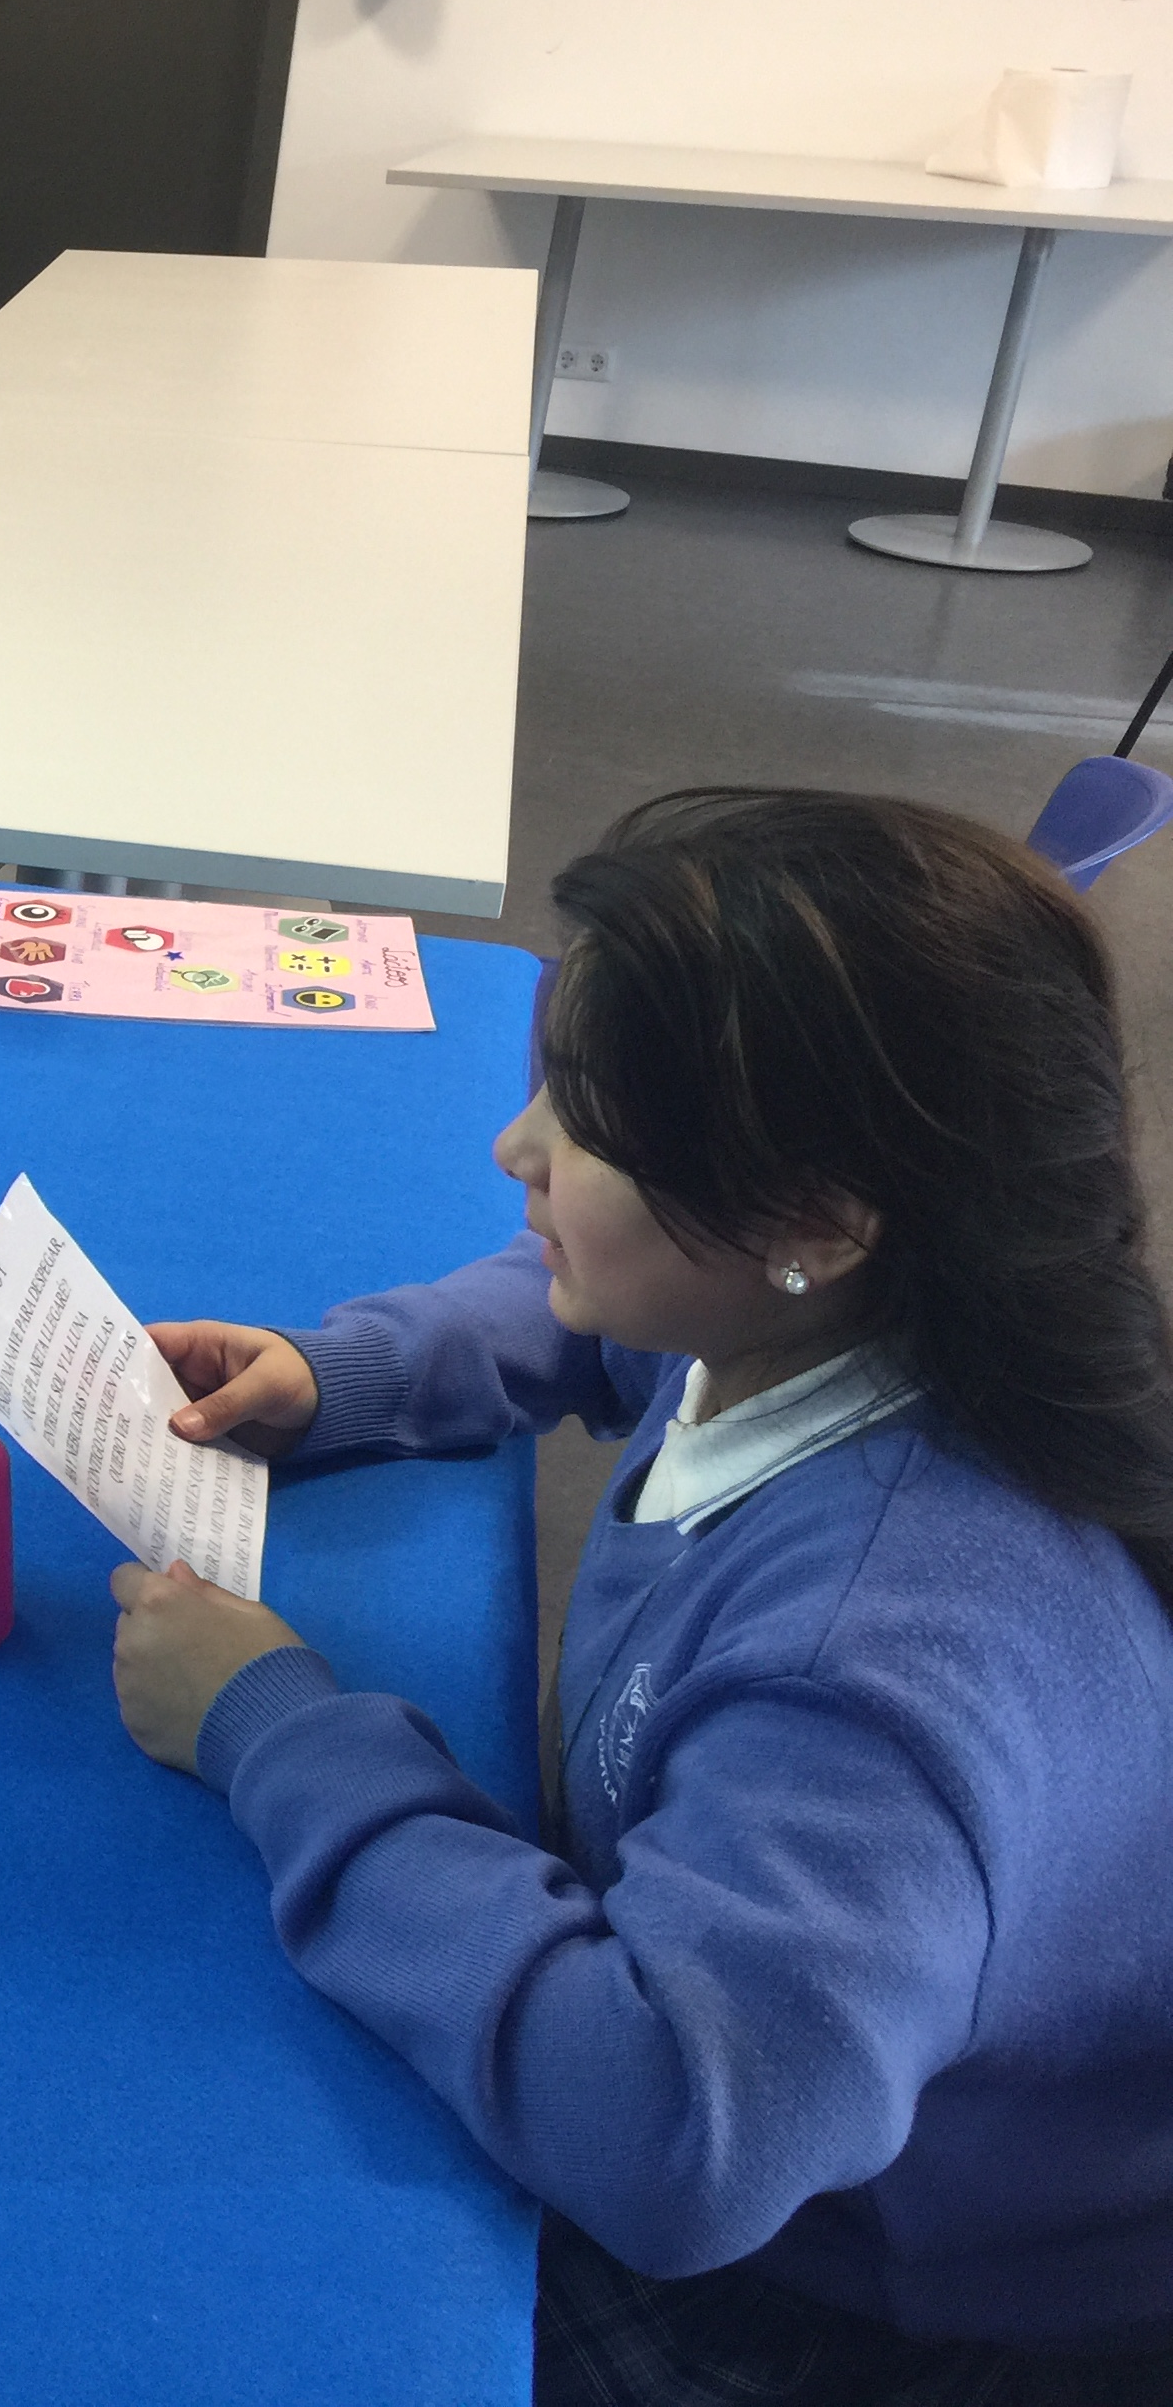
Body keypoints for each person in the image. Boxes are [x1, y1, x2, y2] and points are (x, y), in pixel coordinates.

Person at [106, 790, 1173, 2401]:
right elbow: (616, 1324)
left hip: (866, 2292)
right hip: (805, 2112)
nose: (514, 1148)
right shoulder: (866, 1307)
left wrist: (276, 1734)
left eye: (589, 1124)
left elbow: (674, 2139)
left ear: (813, 1219)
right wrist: (352, 1374)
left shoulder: (867, 1675)